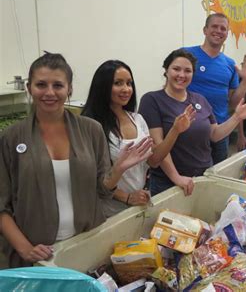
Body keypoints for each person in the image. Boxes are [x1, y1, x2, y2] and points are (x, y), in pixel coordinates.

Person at [0, 52, 152, 267]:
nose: (49, 92)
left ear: (69, 88)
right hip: (38, 251)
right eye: (41, 84)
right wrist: (25, 248)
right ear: (29, 88)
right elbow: (2, 204)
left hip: (87, 242)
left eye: (58, 85)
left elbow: (102, 189)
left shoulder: (90, 130)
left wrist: (117, 170)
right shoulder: (11, 138)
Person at [139, 49, 246, 196]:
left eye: (187, 71)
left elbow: (214, 134)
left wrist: (236, 117)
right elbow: (157, 150)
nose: (182, 75)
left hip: (203, 176)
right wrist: (177, 178)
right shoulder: (152, 100)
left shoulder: (199, 99)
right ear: (166, 71)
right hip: (171, 183)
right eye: (176, 69)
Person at [82, 60, 195, 217]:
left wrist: (175, 130)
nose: (126, 89)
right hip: (107, 211)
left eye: (129, 83)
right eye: (118, 83)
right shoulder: (92, 125)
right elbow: (93, 179)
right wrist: (127, 197)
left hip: (137, 207)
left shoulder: (137, 119)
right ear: (103, 86)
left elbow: (154, 160)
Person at [184, 13, 246, 165]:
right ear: (205, 30)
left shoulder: (229, 64)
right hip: (190, 129)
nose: (218, 31)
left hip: (221, 130)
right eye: (214, 26)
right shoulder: (187, 55)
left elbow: (233, 102)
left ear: (227, 33)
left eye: (223, 28)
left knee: (216, 176)